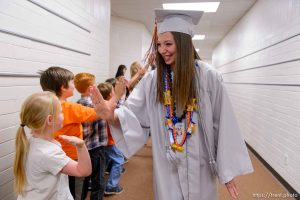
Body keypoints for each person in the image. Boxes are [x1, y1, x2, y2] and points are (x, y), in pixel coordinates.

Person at [90, 9, 253, 200]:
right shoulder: (153, 81)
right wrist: (111, 115)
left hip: (200, 168)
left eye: (168, 44)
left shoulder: (208, 77)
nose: (161, 50)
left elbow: (223, 123)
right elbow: (133, 115)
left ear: (184, 44)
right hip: (167, 169)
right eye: (159, 44)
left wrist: (226, 172)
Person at [39, 66, 123, 198]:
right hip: (72, 158)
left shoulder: (44, 105)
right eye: (72, 82)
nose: (74, 85)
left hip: (55, 155)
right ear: (63, 87)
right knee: (75, 194)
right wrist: (117, 95)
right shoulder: (70, 107)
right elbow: (102, 112)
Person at [13, 91, 91, 200]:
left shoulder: (32, 142)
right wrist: (81, 146)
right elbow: (83, 171)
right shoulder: (48, 153)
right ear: (50, 120)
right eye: (61, 112)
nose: (63, 114)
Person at [74, 73, 107, 200]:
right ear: (90, 88)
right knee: (98, 182)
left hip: (84, 150)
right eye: (95, 84)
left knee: (84, 181)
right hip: (96, 147)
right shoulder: (93, 105)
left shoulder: (77, 103)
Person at [97, 82, 124, 195]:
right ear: (109, 95)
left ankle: (97, 181)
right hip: (110, 140)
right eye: (113, 90)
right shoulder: (111, 106)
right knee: (119, 160)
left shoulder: (99, 105)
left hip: (103, 140)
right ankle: (111, 186)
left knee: (105, 160)